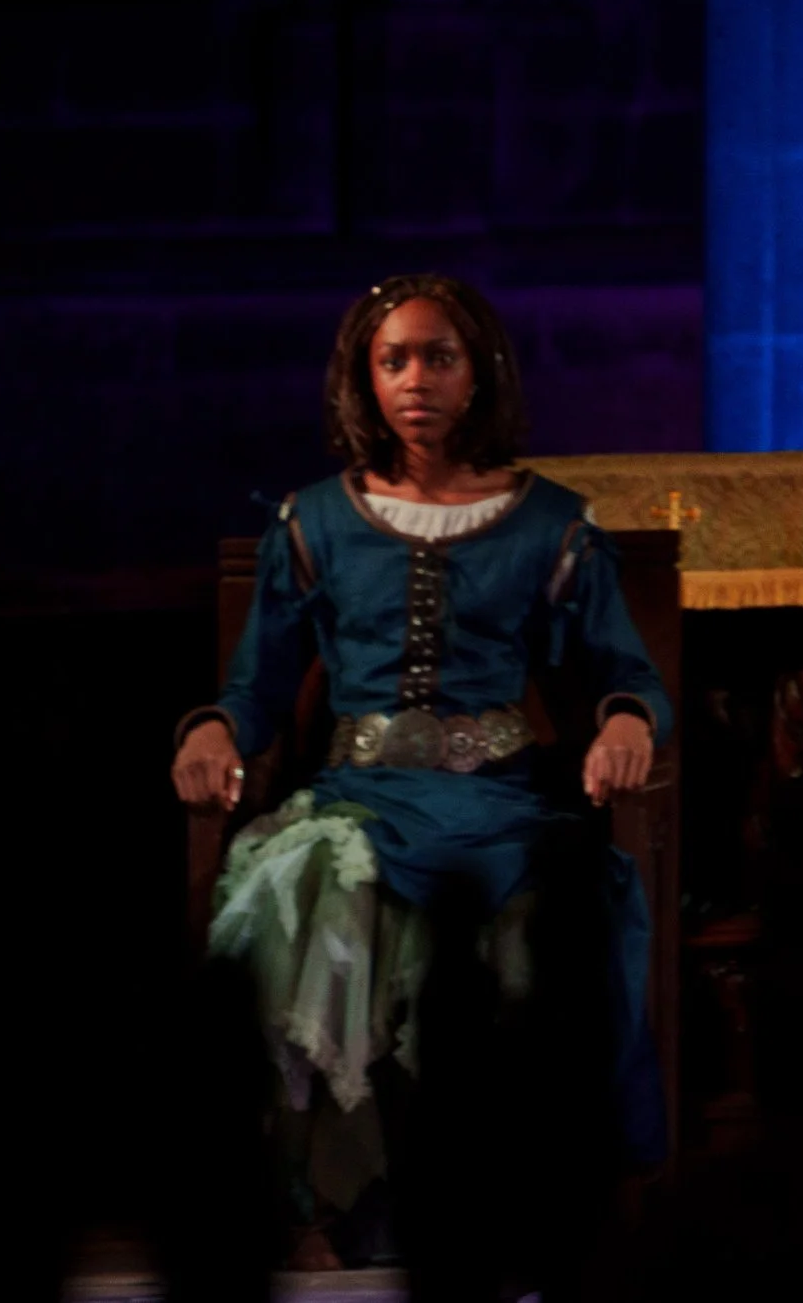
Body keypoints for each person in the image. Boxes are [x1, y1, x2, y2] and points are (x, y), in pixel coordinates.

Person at [169, 273, 673, 1263]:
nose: (414, 378)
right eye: (392, 358)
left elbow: (624, 669)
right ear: (364, 376)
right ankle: (343, 1210)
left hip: (503, 803)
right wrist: (214, 730)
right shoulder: (312, 521)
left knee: (552, 911)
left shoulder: (549, 524)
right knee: (312, 889)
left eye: (437, 355)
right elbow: (258, 686)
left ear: (478, 371)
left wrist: (624, 721)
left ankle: (524, 1205)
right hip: (359, 798)